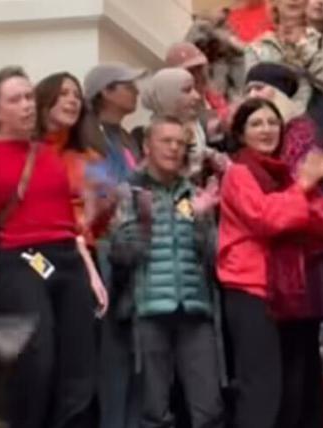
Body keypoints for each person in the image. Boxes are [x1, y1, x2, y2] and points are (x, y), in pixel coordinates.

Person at [0, 66, 107, 428]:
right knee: (39, 359)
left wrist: (90, 271)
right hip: (21, 260)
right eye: (15, 99)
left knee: (80, 366)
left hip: (66, 258)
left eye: (29, 98)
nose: (26, 106)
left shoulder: (46, 154)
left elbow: (69, 222)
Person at [217, 98, 323, 428]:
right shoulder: (238, 174)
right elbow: (268, 219)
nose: (267, 129)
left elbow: (322, 224)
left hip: (292, 293)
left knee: (294, 389)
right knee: (262, 389)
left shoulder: (286, 175)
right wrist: (302, 190)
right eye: (256, 123)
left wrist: (301, 194)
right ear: (241, 134)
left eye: (272, 123)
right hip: (251, 290)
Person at [109, 117, 225, 428]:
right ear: (148, 146)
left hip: (194, 309)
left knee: (209, 409)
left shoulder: (193, 194)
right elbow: (119, 254)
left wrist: (202, 219)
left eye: (180, 143)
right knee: (153, 411)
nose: (174, 148)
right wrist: (140, 227)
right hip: (147, 311)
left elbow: (214, 257)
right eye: (166, 141)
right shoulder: (129, 192)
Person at [83, 62, 146, 428]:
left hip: (136, 247)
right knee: (113, 352)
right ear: (106, 91)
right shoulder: (92, 140)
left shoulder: (129, 138)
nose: (135, 92)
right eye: (127, 85)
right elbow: (101, 193)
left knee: (138, 351)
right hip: (107, 250)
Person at [34, 72, 113, 248]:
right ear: (43, 103)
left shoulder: (92, 158)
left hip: (80, 249)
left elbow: (105, 205)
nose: (73, 100)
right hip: (36, 248)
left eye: (77, 96)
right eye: (63, 94)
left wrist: (103, 199)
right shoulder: (25, 153)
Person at [244, 0, 323, 108]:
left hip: (316, 120)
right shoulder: (258, 47)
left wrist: (303, 46)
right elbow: (252, 96)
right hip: (275, 120)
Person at [140, 67, 227, 185]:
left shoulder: (192, 124)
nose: (196, 96)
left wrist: (214, 156)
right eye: (187, 90)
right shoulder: (155, 132)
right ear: (168, 95)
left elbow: (197, 151)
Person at [241, 62, 323, 170]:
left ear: (279, 92)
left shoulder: (301, 133)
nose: (251, 95)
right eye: (248, 91)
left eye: (259, 88)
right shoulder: (244, 130)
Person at [83, 62, 145, 184]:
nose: (137, 92)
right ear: (106, 91)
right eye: (129, 87)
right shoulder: (88, 136)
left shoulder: (126, 137)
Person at [166, 41, 232, 124]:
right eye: (192, 71)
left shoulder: (214, 96)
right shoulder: (182, 114)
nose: (199, 75)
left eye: (200, 68)